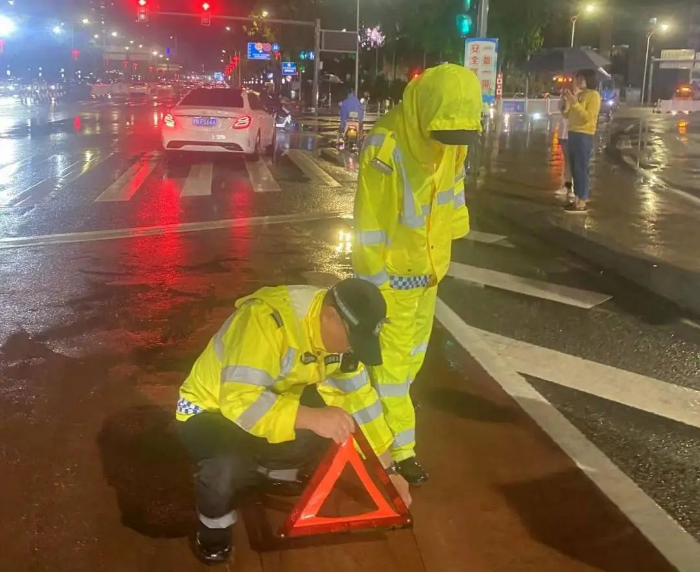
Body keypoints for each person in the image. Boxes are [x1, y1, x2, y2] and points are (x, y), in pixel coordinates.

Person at [176, 279, 412, 564]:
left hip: (268, 408)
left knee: (335, 428)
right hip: (210, 412)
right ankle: (213, 531)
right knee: (227, 464)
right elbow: (240, 403)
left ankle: (261, 469)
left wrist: (390, 471)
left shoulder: (337, 338)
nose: (352, 349)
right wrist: (313, 417)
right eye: (352, 339)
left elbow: (359, 402)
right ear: (330, 316)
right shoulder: (265, 321)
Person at [353, 64, 482, 485]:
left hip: (428, 274)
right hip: (392, 279)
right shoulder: (386, 145)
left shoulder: (452, 142)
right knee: (392, 371)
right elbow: (369, 222)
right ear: (426, 111)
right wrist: (374, 286)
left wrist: (454, 236)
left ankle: (375, 427)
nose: (450, 143)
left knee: (410, 363)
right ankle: (397, 452)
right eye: (446, 133)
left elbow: (454, 189)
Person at [562, 69, 601, 214]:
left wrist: (575, 103)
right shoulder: (579, 95)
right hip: (573, 133)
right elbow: (567, 115)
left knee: (581, 168)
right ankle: (577, 199)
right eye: (577, 79)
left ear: (589, 80)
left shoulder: (594, 95)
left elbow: (588, 117)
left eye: (581, 79)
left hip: (584, 135)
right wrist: (566, 102)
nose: (578, 81)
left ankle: (582, 201)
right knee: (575, 168)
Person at [556, 92, 574, 203]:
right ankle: (567, 186)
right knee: (567, 162)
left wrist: (568, 101)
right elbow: (562, 112)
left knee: (574, 162)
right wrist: (563, 99)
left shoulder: (575, 102)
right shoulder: (563, 101)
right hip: (563, 135)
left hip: (572, 134)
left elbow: (567, 113)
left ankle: (575, 189)